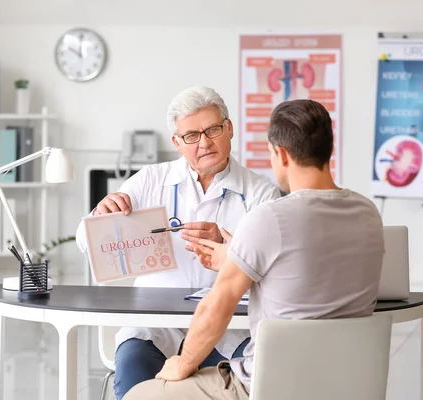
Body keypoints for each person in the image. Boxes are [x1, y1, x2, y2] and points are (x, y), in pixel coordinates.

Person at [123, 99, 385, 400]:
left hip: (270, 383)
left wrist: (181, 364)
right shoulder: (367, 213)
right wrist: (235, 255)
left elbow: (215, 308)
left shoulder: (270, 216)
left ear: (281, 154)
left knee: (139, 395)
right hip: (346, 379)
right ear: (329, 146)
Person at [75, 86, 281, 400]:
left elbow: (272, 269)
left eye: (213, 130)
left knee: (258, 379)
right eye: (191, 136)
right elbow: (84, 242)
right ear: (177, 142)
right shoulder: (149, 180)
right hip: (154, 327)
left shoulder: (260, 193)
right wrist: (102, 215)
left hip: (230, 328)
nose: (205, 142)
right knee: (132, 371)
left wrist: (232, 252)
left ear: (229, 128)